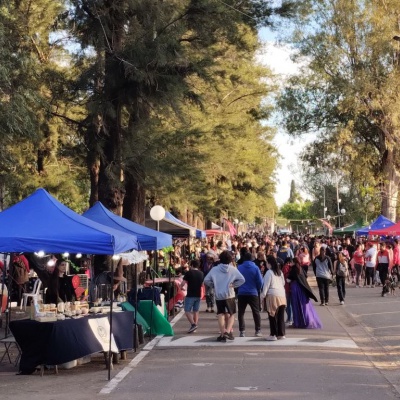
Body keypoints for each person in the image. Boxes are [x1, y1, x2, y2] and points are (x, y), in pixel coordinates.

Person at [203, 250, 245, 342]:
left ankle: (222, 334)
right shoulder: (232, 269)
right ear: (230, 260)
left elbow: (206, 280)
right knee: (232, 314)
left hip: (219, 294)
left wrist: (214, 285)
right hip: (229, 294)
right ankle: (228, 331)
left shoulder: (215, 269)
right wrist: (234, 285)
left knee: (220, 314)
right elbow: (242, 279)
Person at [288, 257, 322, 329]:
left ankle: (297, 322)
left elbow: (288, 279)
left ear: (294, 262)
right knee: (304, 306)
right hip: (302, 289)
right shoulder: (301, 269)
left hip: (295, 288)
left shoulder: (293, 269)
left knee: (296, 306)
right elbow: (305, 276)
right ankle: (307, 321)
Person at [237, 252, 263, 337]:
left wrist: (237, 289)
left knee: (241, 312)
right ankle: (258, 330)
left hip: (242, 292)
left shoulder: (239, 267)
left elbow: (236, 279)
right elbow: (260, 281)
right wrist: (258, 289)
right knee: (256, 312)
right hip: (253, 292)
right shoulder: (255, 268)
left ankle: (242, 331)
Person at [261, 255, 286, 341]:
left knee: (272, 315)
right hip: (282, 295)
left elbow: (266, 285)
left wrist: (262, 296)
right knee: (280, 316)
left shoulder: (269, 273)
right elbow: (283, 283)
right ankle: (281, 333)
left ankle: (273, 334)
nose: (266, 264)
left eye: (266, 263)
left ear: (269, 264)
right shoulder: (280, 272)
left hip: (272, 295)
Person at [180, 259, 204, 333]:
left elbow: (183, 283)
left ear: (192, 265)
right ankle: (195, 326)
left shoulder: (188, 273)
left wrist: (181, 287)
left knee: (187, 310)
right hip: (198, 294)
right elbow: (202, 285)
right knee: (196, 311)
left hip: (190, 294)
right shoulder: (201, 273)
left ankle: (193, 324)